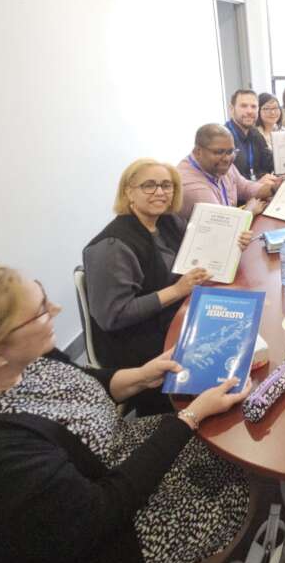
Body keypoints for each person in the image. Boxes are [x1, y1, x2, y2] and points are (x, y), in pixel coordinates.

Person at [0, 265, 257, 563]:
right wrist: (190, 416)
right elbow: (102, 509)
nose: (57, 309)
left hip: (113, 458)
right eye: (41, 312)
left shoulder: (27, 361)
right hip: (101, 547)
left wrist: (141, 375)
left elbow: (81, 384)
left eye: (44, 296)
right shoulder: (6, 452)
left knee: (221, 450)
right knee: (235, 495)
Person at [83, 159, 210, 413]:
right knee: (214, 354)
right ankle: (188, 417)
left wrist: (232, 243)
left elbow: (197, 251)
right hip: (136, 341)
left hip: (173, 315)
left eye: (166, 185)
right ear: (128, 192)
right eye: (149, 185)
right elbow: (113, 316)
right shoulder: (111, 247)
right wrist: (177, 290)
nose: (160, 192)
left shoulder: (168, 221)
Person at [178, 123, 278, 220]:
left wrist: (274, 188)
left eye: (230, 151)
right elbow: (220, 224)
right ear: (198, 151)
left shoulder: (218, 166)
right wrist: (248, 212)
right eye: (218, 152)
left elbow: (245, 187)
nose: (227, 158)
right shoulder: (192, 185)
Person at [225, 88, 275, 180]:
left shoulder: (256, 134)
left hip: (260, 187)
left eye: (253, 107)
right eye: (244, 106)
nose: (249, 111)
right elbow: (223, 180)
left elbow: (270, 163)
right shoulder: (222, 138)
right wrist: (256, 184)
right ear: (232, 109)